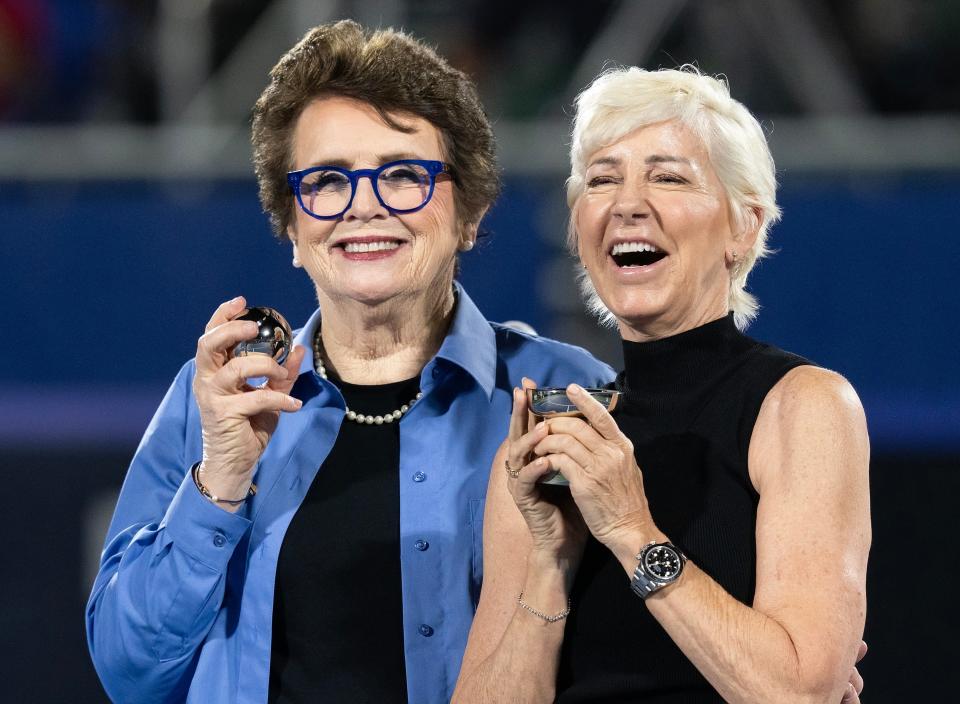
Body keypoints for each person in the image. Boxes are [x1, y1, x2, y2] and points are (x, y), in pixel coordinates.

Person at [85, 20, 613, 704]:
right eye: (328, 181)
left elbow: (629, 659)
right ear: (294, 229)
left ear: (470, 214)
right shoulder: (216, 398)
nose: (363, 206)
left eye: (402, 175)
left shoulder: (567, 391)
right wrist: (219, 482)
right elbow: (128, 673)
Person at [453, 66, 871, 703]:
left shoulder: (802, 407)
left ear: (744, 226)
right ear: (577, 227)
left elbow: (799, 693)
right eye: (602, 179)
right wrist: (548, 564)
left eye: (669, 176)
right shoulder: (553, 438)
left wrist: (630, 530)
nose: (627, 203)